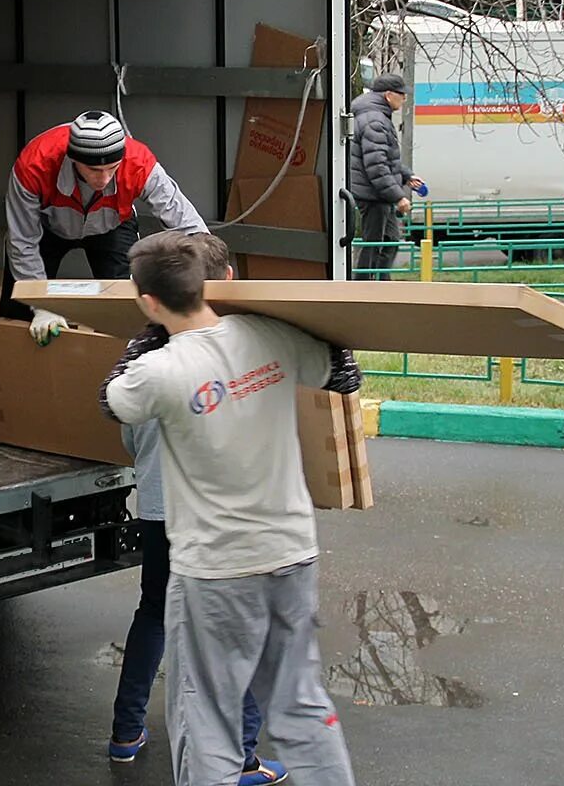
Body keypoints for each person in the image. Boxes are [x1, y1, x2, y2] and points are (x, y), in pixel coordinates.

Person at [100, 231, 362, 786]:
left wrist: (145, 339)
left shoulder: (160, 371)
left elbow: (112, 400)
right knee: (303, 705)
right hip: (292, 555)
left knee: (207, 717)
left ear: (146, 300)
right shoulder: (268, 335)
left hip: (215, 571)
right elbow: (341, 374)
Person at [108, 233, 288, 786]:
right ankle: (241, 758)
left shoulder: (141, 361)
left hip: (161, 511)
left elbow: (129, 436)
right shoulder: (238, 351)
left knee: (155, 614)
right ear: (224, 283)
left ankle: (125, 734)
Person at [0, 110, 207, 449]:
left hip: (111, 225)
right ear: (72, 159)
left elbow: (187, 223)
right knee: (14, 315)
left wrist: (210, 271)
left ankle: (126, 411)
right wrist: (41, 305)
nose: (102, 179)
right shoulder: (34, 164)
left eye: (111, 170)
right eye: (93, 170)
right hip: (46, 227)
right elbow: (23, 241)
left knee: (127, 316)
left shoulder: (140, 162)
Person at [348, 73, 423, 280]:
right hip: (373, 195)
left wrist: (406, 175)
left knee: (389, 240)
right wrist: (398, 196)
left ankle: (380, 285)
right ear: (389, 95)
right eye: (402, 94)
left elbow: (385, 159)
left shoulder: (376, 116)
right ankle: (363, 289)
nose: (405, 98)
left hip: (378, 194)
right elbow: (377, 167)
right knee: (373, 245)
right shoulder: (375, 121)